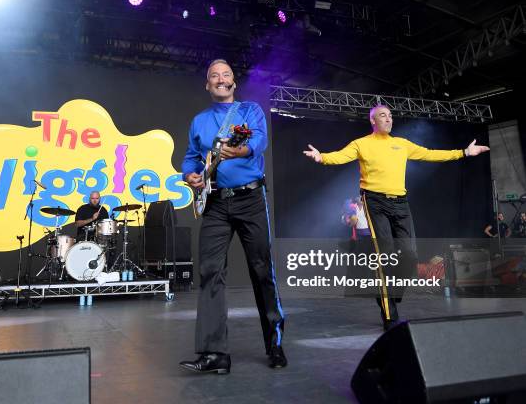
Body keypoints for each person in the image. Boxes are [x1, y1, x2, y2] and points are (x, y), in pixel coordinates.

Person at [303, 105, 490, 330]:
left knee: (409, 255)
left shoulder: (401, 144)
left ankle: (392, 292)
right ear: (373, 120)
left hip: (400, 202)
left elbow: (430, 154)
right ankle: (390, 315)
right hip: (375, 201)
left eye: (391, 116)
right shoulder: (361, 144)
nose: (389, 119)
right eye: (383, 115)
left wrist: (463, 152)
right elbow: (340, 157)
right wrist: (321, 157)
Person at [179, 59, 286, 374]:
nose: (220, 79)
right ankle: (215, 354)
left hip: (251, 199)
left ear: (233, 82)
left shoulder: (250, 111)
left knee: (261, 270)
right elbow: (190, 157)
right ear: (207, 85)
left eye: (226, 74)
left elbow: (259, 141)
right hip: (214, 204)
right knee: (210, 272)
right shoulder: (199, 121)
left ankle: (275, 344)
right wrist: (191, 176)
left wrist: (243, 150)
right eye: (214, 75)